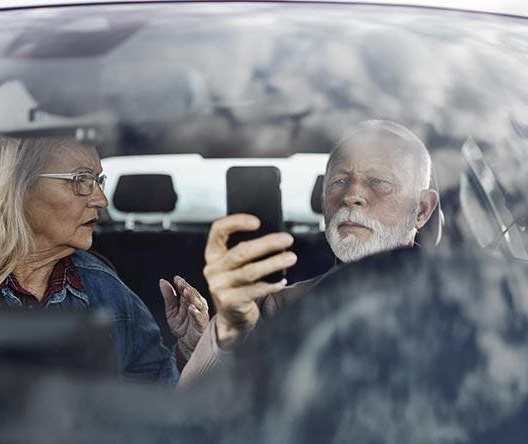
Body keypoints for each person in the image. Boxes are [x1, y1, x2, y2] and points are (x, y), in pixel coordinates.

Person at [0, 114, 208, 386]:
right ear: (13, 187)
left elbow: (154, 399)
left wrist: (189, 349)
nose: (101, 200)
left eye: (98, 180)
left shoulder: (104, 287)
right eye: (81, 180)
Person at [179, 120, 439, 384]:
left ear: (421, 210)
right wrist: (226, 334)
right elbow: (197, 414)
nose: (352, 195)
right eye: (339, 181)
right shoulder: (276, 309)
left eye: (378, 182)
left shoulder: (461, 300)